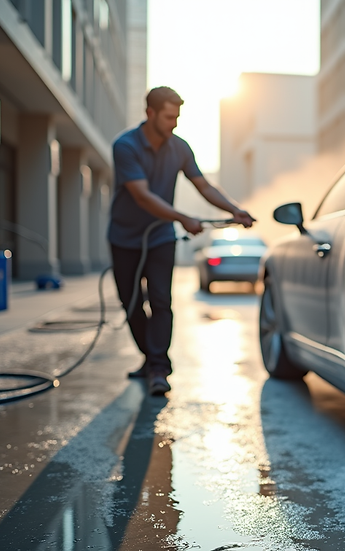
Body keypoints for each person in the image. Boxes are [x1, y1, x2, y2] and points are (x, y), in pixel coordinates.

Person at [109, 86, 254, 396]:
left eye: (177, 117)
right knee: (132, 303)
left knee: (161, 300)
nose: (174, 123)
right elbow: (142, 196)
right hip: (124, 238)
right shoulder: (125, 146)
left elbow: (203, 185)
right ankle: (151, 359)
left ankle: (159, 368)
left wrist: (234, 209)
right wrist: (183, 218)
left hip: (161, 237)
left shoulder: (180, 147)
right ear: (149, 114)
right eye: (168, 117)